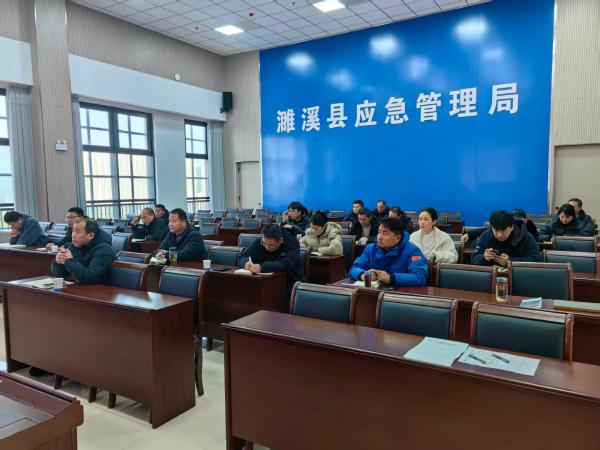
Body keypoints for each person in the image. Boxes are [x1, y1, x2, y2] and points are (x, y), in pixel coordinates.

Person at [349, 217, 428, 287]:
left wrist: (391, 278)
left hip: (399, 295)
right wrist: (363, 274)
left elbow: (420, 277)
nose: (379, 237)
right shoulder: (371, 248)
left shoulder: (412, 251)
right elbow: (354, 268)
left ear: (397, 238)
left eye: (385, 233)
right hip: (374, 292)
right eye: (379, 232)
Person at [239, 224, 304, 295]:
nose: (266, 247)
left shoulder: (292, 243)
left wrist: (261, 267)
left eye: (271, 245)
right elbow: (243, 255)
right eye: (264, 243)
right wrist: (246, 263)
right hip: (263, 282)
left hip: (288, 283)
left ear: (281, 240)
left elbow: (286, 264)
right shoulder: (260, 241)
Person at [51, 218, 116, 283]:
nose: (73, 235)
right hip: (83, 287)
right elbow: (62, 274)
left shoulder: (104, 250)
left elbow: (91, 277)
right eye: (73, 231)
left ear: (91, 235)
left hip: (101, 288)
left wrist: (69, 261)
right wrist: (58, 262)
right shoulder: (74, 245)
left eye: (77, 232)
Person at [472, 210, 541, 266]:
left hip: (517, 275)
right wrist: (484, 258)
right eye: (496, 231)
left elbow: (536, 259)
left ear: (511, 227)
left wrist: (511, 261)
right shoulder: (486, 235)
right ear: (492, 227)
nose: (499, 235)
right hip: (491, 275)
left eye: (503, 231)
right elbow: (474, 258)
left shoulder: (526, 237)